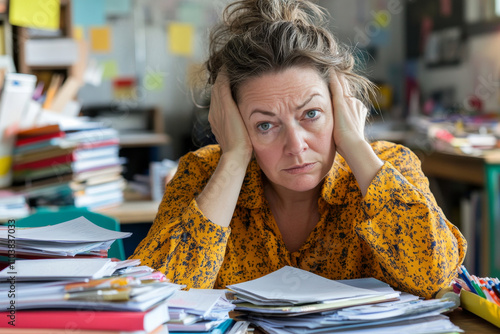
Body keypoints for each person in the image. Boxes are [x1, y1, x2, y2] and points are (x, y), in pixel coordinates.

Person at [131, 0, 466, 299]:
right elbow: (153, 297)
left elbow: (435, 275)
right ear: (232, 122)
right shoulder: (202, 174)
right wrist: (233, 159)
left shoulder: (389, 166)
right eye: (265, 124)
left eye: (312, 114)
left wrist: (354, 143)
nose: (296, 145)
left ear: (340, 106)